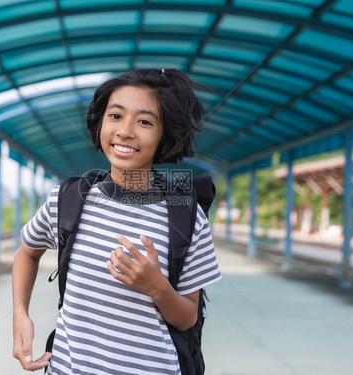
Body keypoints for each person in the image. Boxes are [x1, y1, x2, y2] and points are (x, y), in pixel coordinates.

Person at [12, 69, 222, 374]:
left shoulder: (186, 218)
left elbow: (188, 317)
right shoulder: (69, 199)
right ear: (100, 124)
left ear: (165, 137)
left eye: (145, 122)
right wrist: (20, 313)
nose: (125, 131)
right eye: (115, 116)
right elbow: (27, 252)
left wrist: (156, 287)